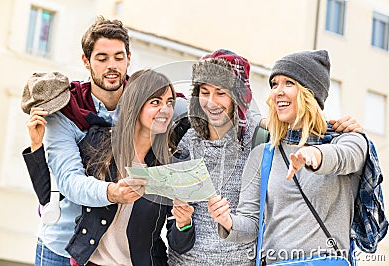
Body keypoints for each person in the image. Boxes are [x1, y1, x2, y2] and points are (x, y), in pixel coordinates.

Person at [208, 50, 368, 264]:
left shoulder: (346, 140)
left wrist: (315, 154)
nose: (277, 92)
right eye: (274, 84)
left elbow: (345, 157)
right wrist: (226, 221)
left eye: (288, 83)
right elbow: (252, 223)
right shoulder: (263, 155)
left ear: (310, 92)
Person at [24, 69, 195, 265]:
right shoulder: (99, 143)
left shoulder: (172, 163)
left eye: (169, 103)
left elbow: (179, 244)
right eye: (155, 102)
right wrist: (36, 145)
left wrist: (183, 223)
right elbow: (52, 196)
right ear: (135, 104)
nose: (165, 110)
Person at [168, 49, 263, 265]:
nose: (211, 102)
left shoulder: (256, 139)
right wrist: (182, 221)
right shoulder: (186, 139)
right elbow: (174, 230)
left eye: (220, 92)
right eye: (204, 91)